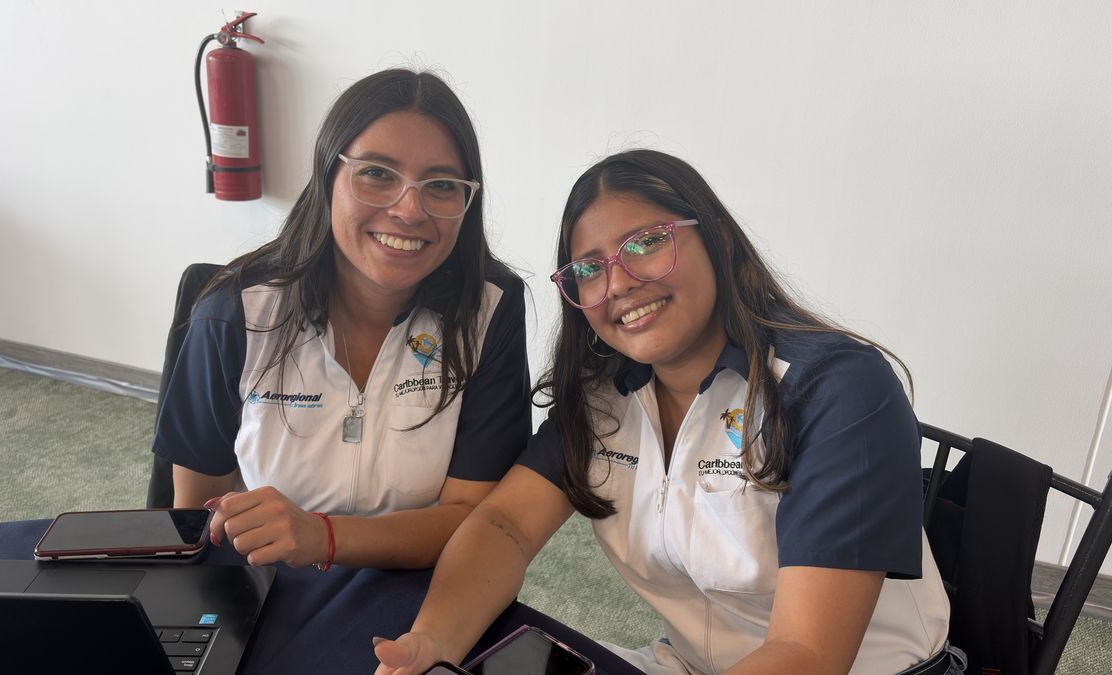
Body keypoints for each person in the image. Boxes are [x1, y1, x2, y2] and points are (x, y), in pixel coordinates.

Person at [375, 150, 959, 674]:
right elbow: (504, 525)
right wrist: (432, 642)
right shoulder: (603, 397)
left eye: (647, 243)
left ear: (718, 241)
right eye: (590, 267)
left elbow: (807, 655)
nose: (619, 283)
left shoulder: (838, 390)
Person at [151, 69, 530, 571]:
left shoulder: (488, 310)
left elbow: (475, 521)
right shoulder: (233, 314)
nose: (409, 210)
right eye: (376, 173)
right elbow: (197, 522)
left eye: (440, 185)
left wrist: (324, 537)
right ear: (328, 175)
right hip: (268, 588)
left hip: (420, 590)